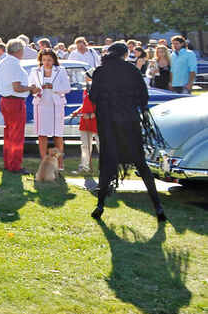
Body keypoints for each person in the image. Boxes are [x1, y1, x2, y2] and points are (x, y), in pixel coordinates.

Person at [89, 43, 165, 221]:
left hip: (108, 123)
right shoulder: (131, 70)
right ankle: (158, 207)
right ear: (125, 55)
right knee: (140, 163)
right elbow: (143, 96)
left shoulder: (100, 71)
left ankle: (100, 205)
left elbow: (93, 96)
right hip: (129, 121)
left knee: (108, 163)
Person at [0, 39, 38, 174]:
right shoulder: (13, 64)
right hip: (15, 101)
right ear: (19, 51)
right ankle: (15, 165)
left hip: (6, 100)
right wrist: (31, 88)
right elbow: (17, 87)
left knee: (9, 133)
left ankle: (8, 162)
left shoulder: (3, 61)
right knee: (16, 135)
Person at [28, 49, 71, 171]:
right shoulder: (35, 71)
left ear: (54, 60)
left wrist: (54, 87)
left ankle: (60, 163)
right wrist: (35, 89)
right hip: (41, 104)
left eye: (49, 60)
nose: (46, 62)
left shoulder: (60, 70)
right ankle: (44, 162)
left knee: (58, 134)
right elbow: (30, 86)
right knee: (42, 134)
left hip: (56, 105)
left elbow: (67, 88)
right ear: (41, 60)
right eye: (44, 60)